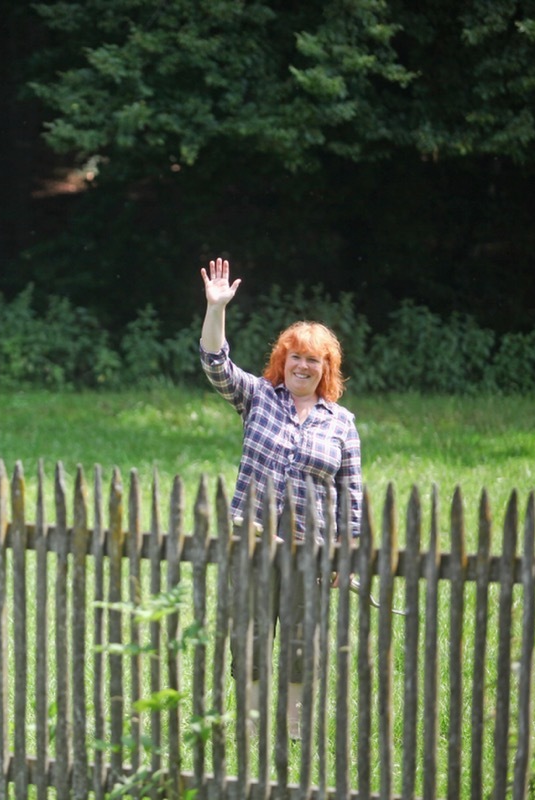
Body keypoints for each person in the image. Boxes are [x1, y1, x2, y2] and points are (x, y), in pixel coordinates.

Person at [197, 257, 363, 739]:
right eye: (296, 357)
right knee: (247, 636)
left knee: (299, 642)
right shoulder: (258, 398)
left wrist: (344, 552)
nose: (303, 366)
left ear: (326, 368)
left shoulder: (342, 423)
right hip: (251, 537)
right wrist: (216, 309)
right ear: (282, 361)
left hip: (310, 548)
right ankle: (250, 728)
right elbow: (215, 363)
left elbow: (350, 493)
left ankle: (291, 729)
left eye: (314, 360)